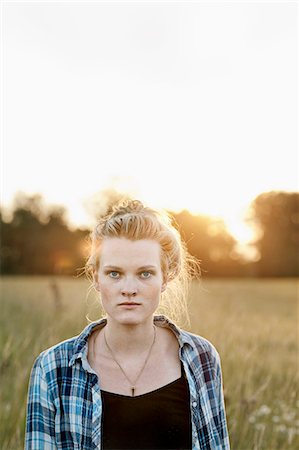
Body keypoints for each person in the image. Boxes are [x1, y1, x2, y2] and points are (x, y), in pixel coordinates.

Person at [25, 199, 230, 450]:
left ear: (165, 278)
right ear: (95, 277)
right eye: (114, 274)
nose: (129, 289)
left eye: (145, 273)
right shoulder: (52, 369)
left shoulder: (201, 358)